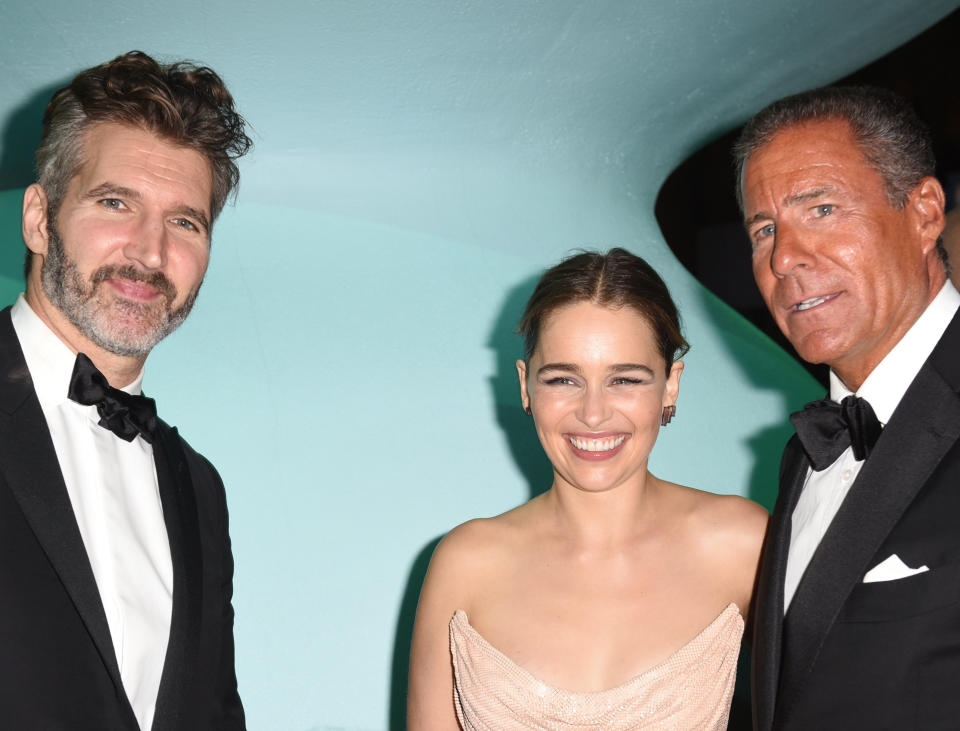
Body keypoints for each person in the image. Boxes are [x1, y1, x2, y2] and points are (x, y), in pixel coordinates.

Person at [407, 249, 767, 729]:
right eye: (563, 379)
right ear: (525, 386)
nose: (593, 413)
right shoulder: (466, 562)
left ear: (671, 384)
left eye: (624, 379)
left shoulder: (741, 544)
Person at [0, 51, 251, 729]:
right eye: (116, 202)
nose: (149, 250)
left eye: (185, 221)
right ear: (36, 218)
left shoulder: (200, 485)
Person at [737, 86, 959, 730]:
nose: (784, 258)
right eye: (764, 230)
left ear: (923, 212)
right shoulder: (802, 455)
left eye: (823, 209)